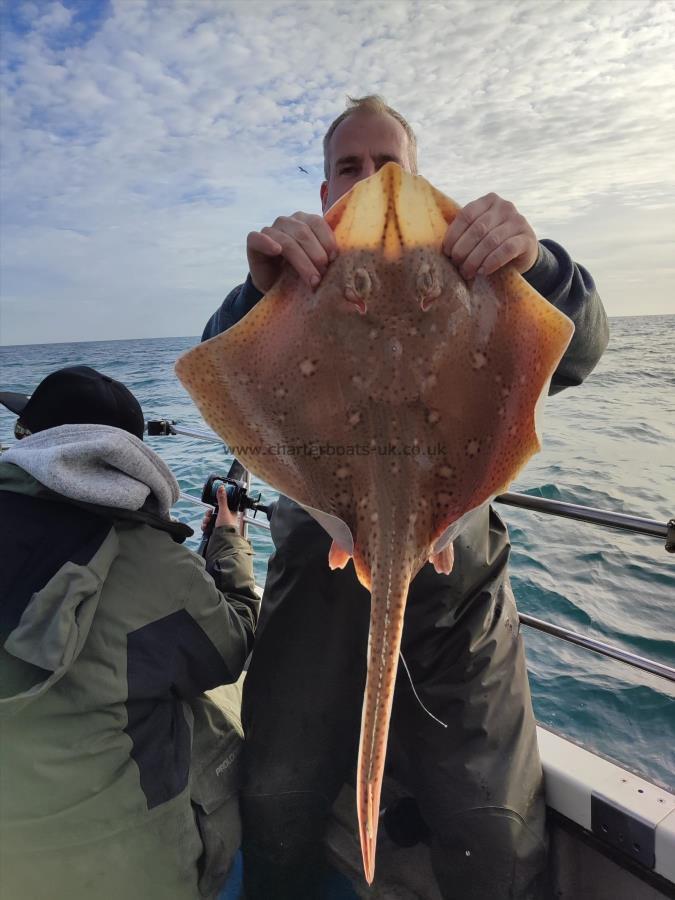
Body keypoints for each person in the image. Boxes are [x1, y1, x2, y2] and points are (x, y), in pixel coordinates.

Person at [202, 95, 610, 900]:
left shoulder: (476, 274)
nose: (372, 183)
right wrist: (260, 295)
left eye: (390, 167)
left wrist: (538, 265)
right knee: (275, 795)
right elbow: (220, 375)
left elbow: (579, 348)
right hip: (313, 581)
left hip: (456, 595)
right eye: (349, 168)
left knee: (491, 829)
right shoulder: (292, 281)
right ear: (324, 198)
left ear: (422, 182)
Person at [0, 365, 259, 900]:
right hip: (129, 875)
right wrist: (228, 548)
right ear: (130, 458)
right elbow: (232, 645)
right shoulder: (155, 561)